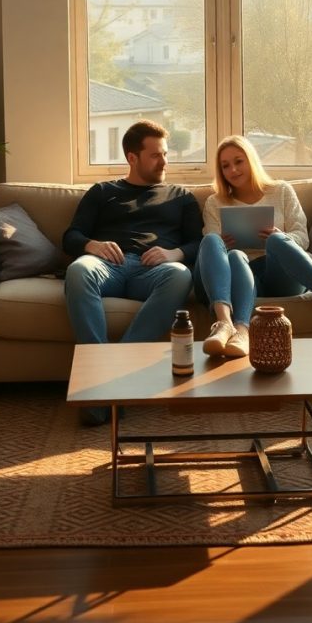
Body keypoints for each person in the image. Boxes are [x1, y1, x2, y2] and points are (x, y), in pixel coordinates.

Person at [63, 120, 203, 423]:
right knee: (78, 270)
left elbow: (198, 242)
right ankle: (100, 377)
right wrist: (92, 246)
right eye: (155, 155)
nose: (164, 161)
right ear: (132, 158)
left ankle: (109, 381)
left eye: (165, 154)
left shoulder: (182, 196)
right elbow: (70, 237)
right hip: (107, 267)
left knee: (181, 273)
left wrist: (173, 253)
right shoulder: (102, 192)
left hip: (152, 273)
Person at [194, 135, 312, 359]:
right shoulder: (214, 203)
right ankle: (233, 328)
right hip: (242, 278)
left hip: (281, 273)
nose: (233, 170)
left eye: (239, 161)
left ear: (251, 160)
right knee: (227, 251)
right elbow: (212, 252)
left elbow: (302, 237)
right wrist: (223, 244)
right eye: (225, 166)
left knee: (277, 240)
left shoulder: (281, 191)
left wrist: (280, 236)